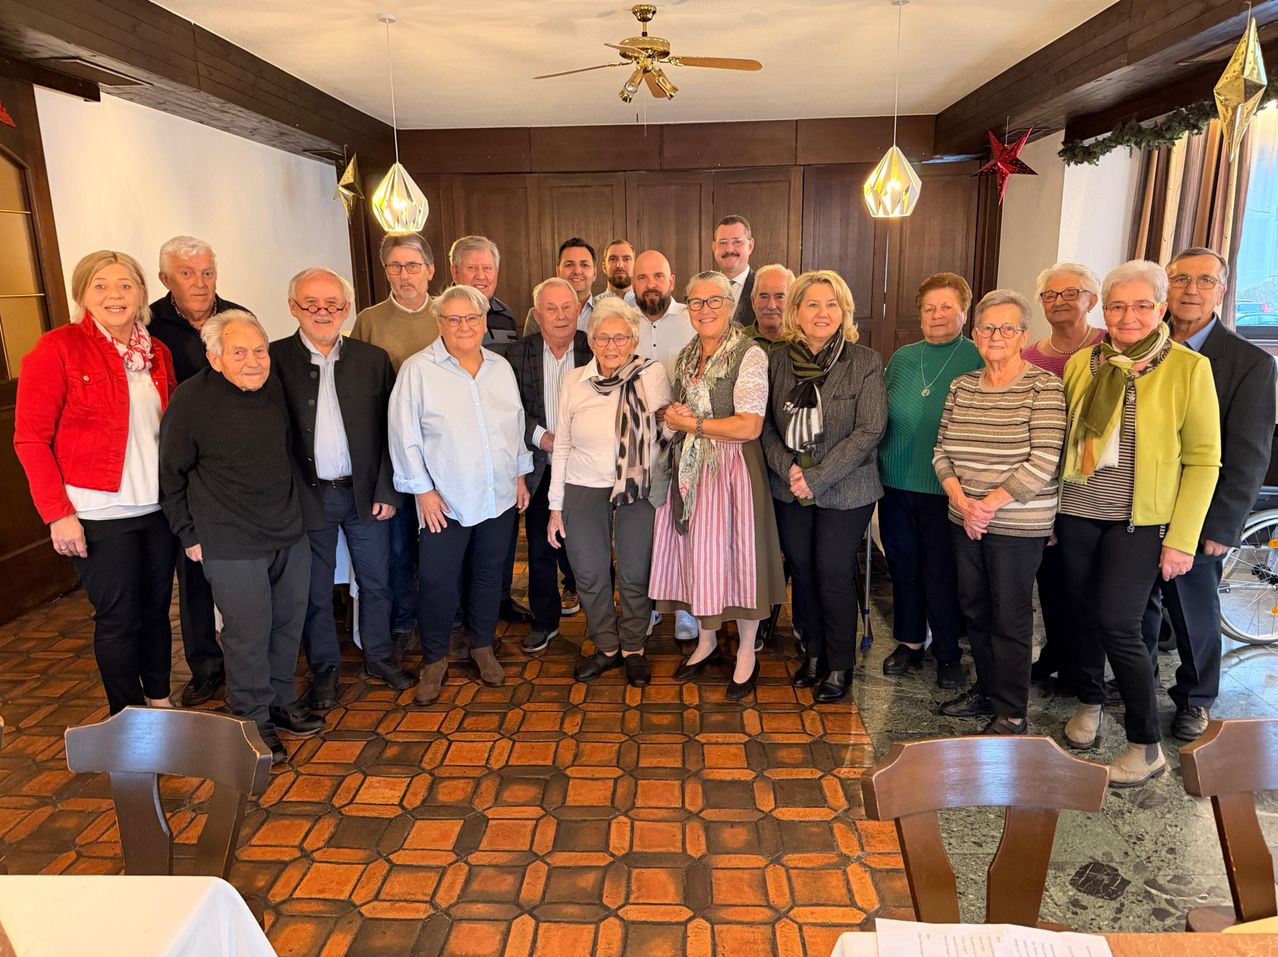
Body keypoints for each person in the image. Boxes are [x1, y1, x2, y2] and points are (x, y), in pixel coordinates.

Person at [1057, 259, 1220, 787]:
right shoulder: (1084, 363)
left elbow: (1203, 461)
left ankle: (1145, 743)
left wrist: (1182, 540)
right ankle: (1088, 702)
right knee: (1077, 614)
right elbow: (1067, 441)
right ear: (1104, 308)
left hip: (1140, 521)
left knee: (1120, 624)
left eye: (1142, 305)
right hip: (1080, 511)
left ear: (1161, 308)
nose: (1129, 316)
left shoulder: (1188, 369)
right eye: (1119, 305)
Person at [15, 250, 178, 715]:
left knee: (156, 615)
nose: (115, 295)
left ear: (142, 293)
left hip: (156, 507)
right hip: (97, 514)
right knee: (117, 620)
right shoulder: (57, 349)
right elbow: (30, 439)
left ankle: (161, 702)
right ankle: (126, 719)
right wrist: (58, 514)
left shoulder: (157, 353)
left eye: (126, 284)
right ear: (82, 294)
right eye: (101, 285)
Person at [160, 311, 322, 767]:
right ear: (214, 358)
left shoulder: (273, 388)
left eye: (259, 350)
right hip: (229, 538)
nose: (253, 361)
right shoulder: (190, 401)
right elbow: (170, 475)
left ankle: (280, 700)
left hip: (287, 530)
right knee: (248, 632)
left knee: (289, 621)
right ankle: (251, 719)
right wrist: (188, 532)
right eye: (239, 352)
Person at [1142, 247, 1275, 741]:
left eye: (1204, 281)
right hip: (1137, 507)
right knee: (1141, 607)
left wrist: (1223, 526)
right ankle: (1141, 681)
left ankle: (1196, 698)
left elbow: (1249, 457)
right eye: (1180, 279)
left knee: (1192, 612)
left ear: (1221, 290)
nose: (1190, 290)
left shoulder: (1248, 363)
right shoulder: (1141, 347)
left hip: (1199, 516)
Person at [271, 267, 415, 711]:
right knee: (314, 589)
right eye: (311, 304)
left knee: (376, 580)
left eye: (332, 304)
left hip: (364, 494)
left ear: (346, 309)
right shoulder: (274, 360)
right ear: (293, 307)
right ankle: (325, 668)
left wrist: (387, 490)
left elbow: (393, 431)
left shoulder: (372, 360)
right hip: (308, 498)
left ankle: (378, 655)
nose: (323, 312)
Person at [389, 285, 533, 706]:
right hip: (444, 501)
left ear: (483, 321)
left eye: (470, 318)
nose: (463, 326)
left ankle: (482, 646)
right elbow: (404, 436)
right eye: (452, 319)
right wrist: (424, 492)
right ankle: (434, 659)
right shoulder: (418, 370)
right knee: (436, 582)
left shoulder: (499, 368)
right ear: (439, 324)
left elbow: (515, 423)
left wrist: (521, 475)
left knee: (490, 577)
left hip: (499, 493)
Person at [933, 290, 1067, 734]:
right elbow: (941, 451)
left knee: (1009, 616)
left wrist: (986, 506)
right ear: (974, 335)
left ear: (1024, 336)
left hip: (1016, 524)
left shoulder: (1043, 387)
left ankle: (1011, 711)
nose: (995, 335)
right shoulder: (962, 386)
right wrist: (959, 499)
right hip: (964, 518)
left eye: (1007, 328)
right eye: (988, 327)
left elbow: (1046, 459)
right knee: (974, 610)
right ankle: (986, 690)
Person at [650, 271, 786, 701]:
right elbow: (678, 409)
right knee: (699, 559)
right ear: (687, 308)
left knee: (739, 561)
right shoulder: (689, 353)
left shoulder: (749, 354)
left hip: (732, 471)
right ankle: (707, 641)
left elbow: (749, 424)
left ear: (731, 307)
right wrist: (671, 416)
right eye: (696, 302)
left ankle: (746, 651)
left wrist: (691, 423)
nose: (705, 310)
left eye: (714, 301)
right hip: (692, 470)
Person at [760, 270, 885, 703]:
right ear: (795, 311)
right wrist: (790, 471)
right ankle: (812, 653)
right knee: (804, 571)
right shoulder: (777, 360)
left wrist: (815, 477)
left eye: (832, 304)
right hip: (789, 487)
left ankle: (838, 664)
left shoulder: (865, 361)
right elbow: (765, 427)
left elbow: (869, 430)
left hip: (845, 489)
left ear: (844, 311)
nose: (822, 312)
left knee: (832, 571)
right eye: (812, 304)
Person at [548, 297, 673, 685]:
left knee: (636, 571)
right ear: (591, 340)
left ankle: (633, 646)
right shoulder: (574, 381)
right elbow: (563, 445)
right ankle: (606, 646)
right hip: (582, 488)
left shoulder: (651, 375)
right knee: (588, 572)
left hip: (637, 490)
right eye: (603, 337)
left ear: (634, 340)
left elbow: (667, 435)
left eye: (621, 337)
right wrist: (555, 506)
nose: (611, 345)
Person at [149, 236, 249, 708]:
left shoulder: (238, 318)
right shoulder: (150, 324)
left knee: (244, 566)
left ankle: (250, 656)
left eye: (207, 272)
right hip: (182, 465)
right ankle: (206, 667)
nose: (200, 282)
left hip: (232, 465)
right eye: (187, 273)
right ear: (167, 278)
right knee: (192, 572)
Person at [877, 272, 982, 690]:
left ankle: (948, 652)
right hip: (896, 481)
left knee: (941, 572)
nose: (937, 315)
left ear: (964, 311)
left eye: (946, 307)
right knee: (903, 566)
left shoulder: (976, 357)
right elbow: (880, 414)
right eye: (929, 308)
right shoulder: (903, 358)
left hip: (948, 487)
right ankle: (909, 642)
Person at [350, 232, 438, 656]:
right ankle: (405, 623)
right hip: (392, 452)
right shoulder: (369, 320)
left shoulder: (448, 313)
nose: (404, 275)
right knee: (400, 546)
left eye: (413, 266)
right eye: (395, 267)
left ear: (430, 271)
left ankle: (446, 619)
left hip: (444, 451)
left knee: (443, 544)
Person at [1022, 262, 1105, 689]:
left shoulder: (1111, 348)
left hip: (1093, 488)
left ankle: (1085, 671)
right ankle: (1056, 652)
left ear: (1091, 299)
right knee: (1051, 582)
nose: (1059, 302)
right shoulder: (1029, 356)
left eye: (1070, 293)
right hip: (1041, 487)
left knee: (1085, 588)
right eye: (1050, 295)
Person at [506, 278, 593, 653]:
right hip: (541, 465)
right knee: (541, 549)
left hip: (588, 466)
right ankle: (545, 622)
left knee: (590, 548)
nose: (560, 316)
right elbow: (509, 413)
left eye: (567, 307)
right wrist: (544, 437)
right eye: (551, 309)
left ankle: (600, 623)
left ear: (578, 310)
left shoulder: (595, 348)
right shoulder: (516, 355)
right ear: (536, 314)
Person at [449, 235, 518, 356]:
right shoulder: (439, 315)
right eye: (472, 268)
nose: (481, 276)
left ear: (497, 271)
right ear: (455, 272)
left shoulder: (506, 316)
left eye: (487, 268)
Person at [633, 249, 694, 377]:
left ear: (671, 282)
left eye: (658, 276)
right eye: (642, 277)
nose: (650, 285)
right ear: (633, 284)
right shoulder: (622, 325)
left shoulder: (693, 320)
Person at [524, 238, 598, 335]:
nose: (577, 271)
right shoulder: (538, 315)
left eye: (584, 265)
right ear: (558, 272)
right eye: (569, 265)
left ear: (595, 274)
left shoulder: (608, 313)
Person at [712, 215, 756, 325]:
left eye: (737, 242)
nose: (729, 249)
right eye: (722, 242)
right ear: (714, 248)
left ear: (750, 246)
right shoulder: (704, 289)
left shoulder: (761, 288)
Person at [742, 263, 793, 353]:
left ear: (792, 301)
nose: (771, 306)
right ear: (753, 301)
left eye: (779, 297)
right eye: (764, 296)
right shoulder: (736, 342)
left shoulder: (804, 344)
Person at [596, 239, 637, 306]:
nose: (619, 265)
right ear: (604, 267)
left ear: (635, 266)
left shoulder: (647, 306)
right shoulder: (593, 307)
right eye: (613, 259)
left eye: (626, 259)